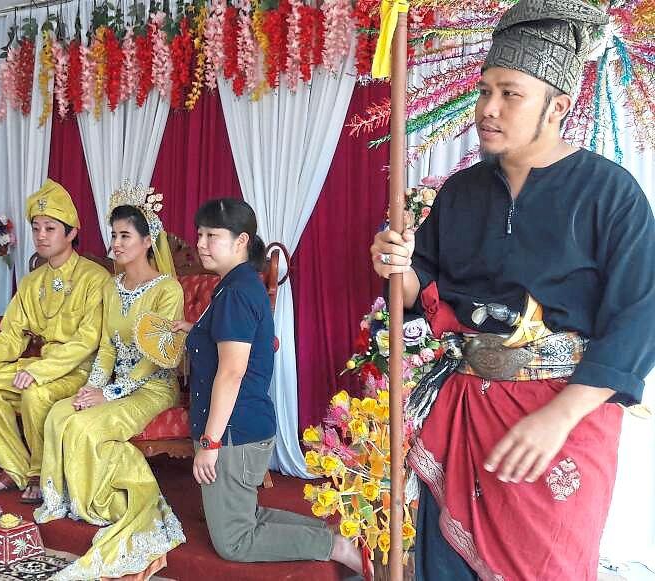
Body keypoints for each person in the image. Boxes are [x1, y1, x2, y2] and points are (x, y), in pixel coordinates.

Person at [369, 1, 655, 578]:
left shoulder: (611, 194)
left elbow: (638, 314)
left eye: (509, 93)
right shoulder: (461, 191)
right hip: (467, 415)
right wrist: (393, 262)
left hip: (562, 424)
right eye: (483, 91)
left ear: (560, 106)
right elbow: (419, 291)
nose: (487, 109)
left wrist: (561, 416)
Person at [177, 198, 363, 573]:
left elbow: (232, 372)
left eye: (212, 235)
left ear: (241, 240)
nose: (200, 243)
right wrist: (193, 331)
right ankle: (333, 537)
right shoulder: (237, 286)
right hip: (241, 429)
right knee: (247, 515)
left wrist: (210, 443)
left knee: (235, 541)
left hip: (232, 433)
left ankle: (334, 546)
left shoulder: (236, 293)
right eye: (200, 234)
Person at [35, 190, 186, 580]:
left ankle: (97, 503)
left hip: (153, 387)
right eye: (114, 235)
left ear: (147, 242)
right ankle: (63, 499)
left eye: (125, 237)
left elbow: (156, 357)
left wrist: (110, 394)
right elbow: (105, 347)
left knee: (86, 426)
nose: (116, 244)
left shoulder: (167, 290)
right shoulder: (110, 285)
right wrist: (93, 389)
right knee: (59, 413)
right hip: (114, 383)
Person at [0, 179, 109, 504]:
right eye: (37, 227)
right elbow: (11, 334)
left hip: (78, 372)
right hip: (41, 365)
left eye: (50, 228)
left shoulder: (94, 278)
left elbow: (87, 341)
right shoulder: (32, 282)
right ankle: (14, 469)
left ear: (71, 233)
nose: (41, 235)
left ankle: (43, 475)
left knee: (35, 392)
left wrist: (41, 371)